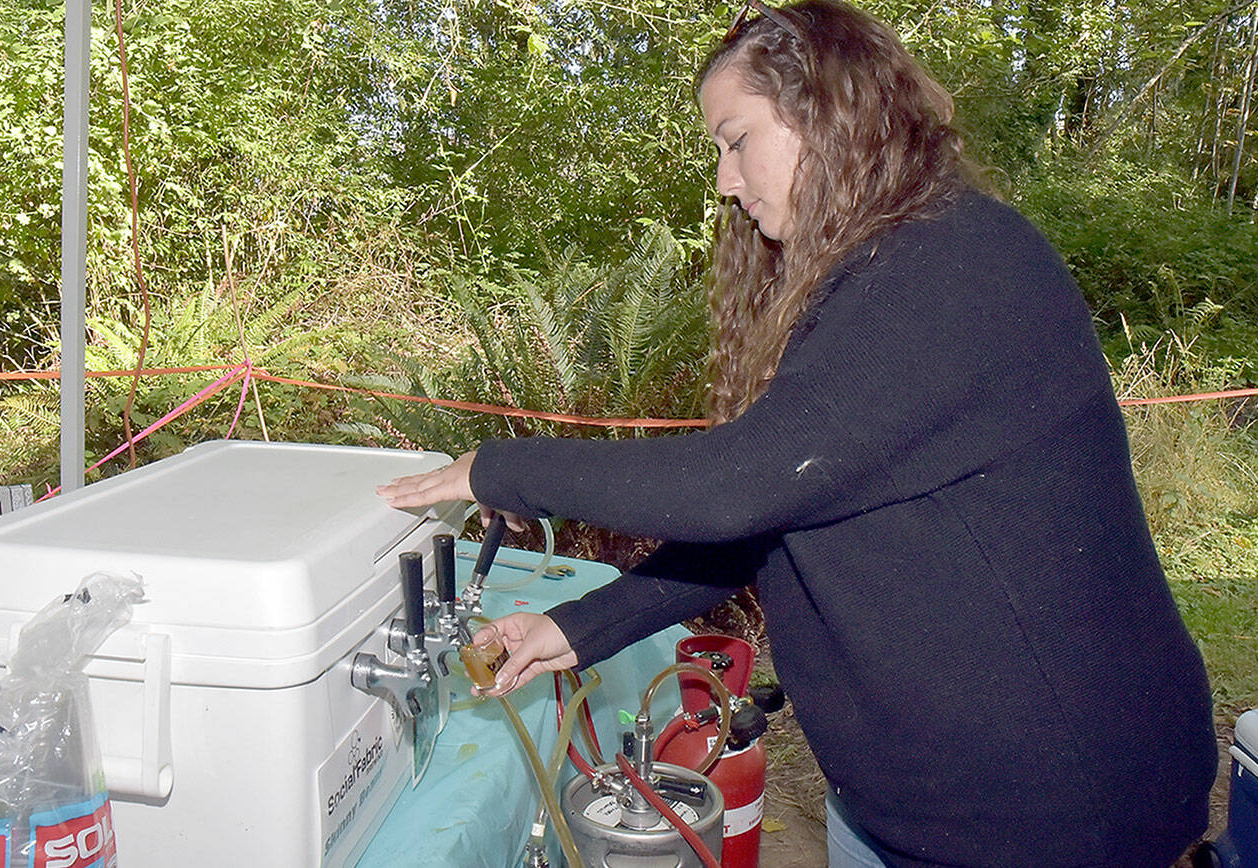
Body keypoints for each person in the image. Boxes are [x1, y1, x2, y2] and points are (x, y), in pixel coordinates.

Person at [377, 1, 1218, 865]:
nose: (724, 179)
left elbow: (737, 484)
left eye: (736, 139)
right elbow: (770, 525)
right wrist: (578, 627)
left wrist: (502, 469)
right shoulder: (869, 280)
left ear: (825, 110)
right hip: (905, 804)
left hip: (1054, 812)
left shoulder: (960, 265)